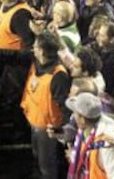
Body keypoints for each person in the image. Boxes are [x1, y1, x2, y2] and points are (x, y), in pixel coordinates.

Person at [21, 31, 71, 179]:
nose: (33, 49)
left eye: (35, 47)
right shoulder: (38, 63)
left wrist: (62, 131)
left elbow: (65, 107)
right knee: (37, 157)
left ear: (42, 51)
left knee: (47, 165)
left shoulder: (59, 75)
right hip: (35, 121)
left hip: (48, 129)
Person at [66, 92, 114, 179]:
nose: (73, 117)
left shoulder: (107, 141)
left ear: (82, 119)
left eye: (74, 113)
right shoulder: (85, 131)